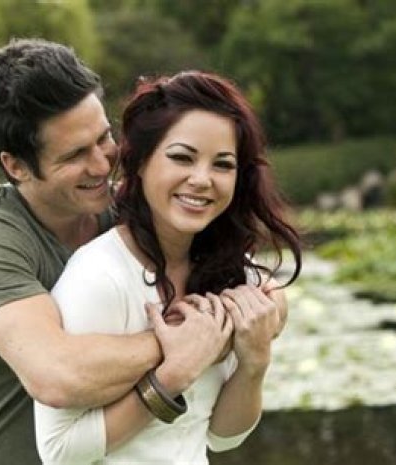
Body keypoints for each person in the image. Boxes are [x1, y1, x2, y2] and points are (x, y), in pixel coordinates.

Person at [0, 39, 247, 465]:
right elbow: (58, 376)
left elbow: (231, 262)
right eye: (75, 155)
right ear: (16, 166)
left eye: (104, 137)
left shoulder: (126, 209)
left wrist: (256, 309)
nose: (104, 165)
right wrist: (190, 341)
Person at [34, 71, 302, 464]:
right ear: (141, 162)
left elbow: (222, 438)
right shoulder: (100, 276)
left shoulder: (232, 275)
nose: (202, 180)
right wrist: (171, 377)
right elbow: (59, 451)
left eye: (223, 164)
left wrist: (254, 362)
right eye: (181, 157)